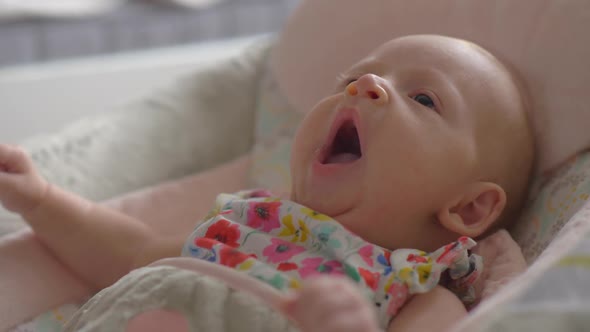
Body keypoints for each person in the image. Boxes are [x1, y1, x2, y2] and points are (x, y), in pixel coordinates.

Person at [0, 34, 534, 332]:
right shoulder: (247, 221)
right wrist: (41, 200)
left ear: (467, 210)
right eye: (352, 80)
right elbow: (131, 250)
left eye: (424, 99)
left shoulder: (417, 290)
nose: (366, 86)